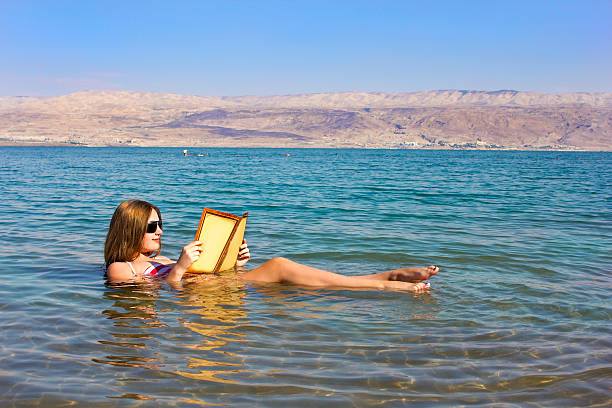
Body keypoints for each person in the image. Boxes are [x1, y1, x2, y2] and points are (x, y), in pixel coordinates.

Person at [104, 200, 439, 291]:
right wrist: (178, 268)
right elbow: (160, 292)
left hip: (221, 286)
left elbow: (180, 281)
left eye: (161, 222)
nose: (160, 230)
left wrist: (235, 263)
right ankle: (386, 282)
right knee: (283, 267)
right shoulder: (121, 267)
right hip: (209, 294)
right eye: (152, 226)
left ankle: (387, 279)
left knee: (287, 269)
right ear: (131, 229)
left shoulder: (159, 257)